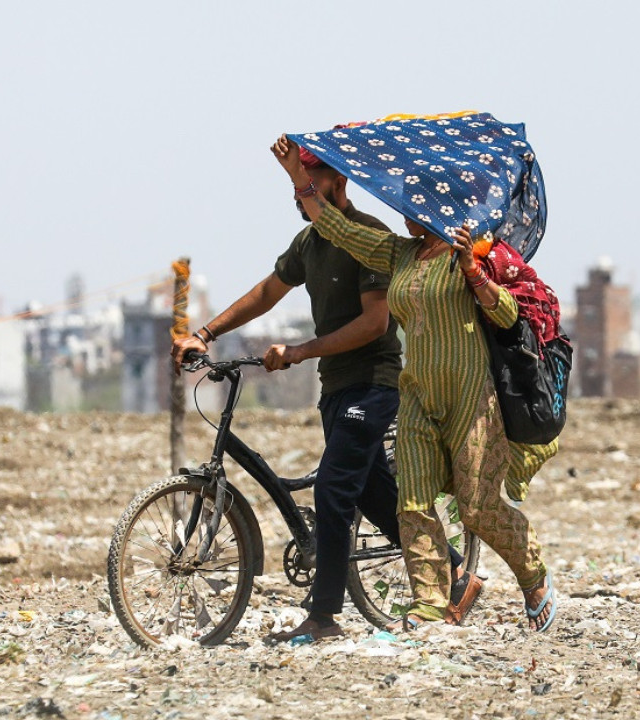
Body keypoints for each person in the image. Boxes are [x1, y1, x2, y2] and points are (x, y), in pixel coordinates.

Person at [170, 146, 482, 642]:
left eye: (308, 183)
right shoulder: (310, 242)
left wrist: (299, 350)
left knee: (333, 491)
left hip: (374, 384)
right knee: (376, 496)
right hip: (335, 387)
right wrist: (205, 335)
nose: (301, 195)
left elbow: (375, 322)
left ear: (337, 183)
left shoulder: (372, 238)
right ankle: (458, 574)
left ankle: (323, 617)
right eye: (296, 186)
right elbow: (269, 291)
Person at [270, 134, 557, 632]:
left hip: (470, 398)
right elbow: (337, 228)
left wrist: (475, 276)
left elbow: (508, 314)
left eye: (416, 204)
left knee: (479, 509)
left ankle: (532, 574)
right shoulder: (399, 255)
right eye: (405, 204)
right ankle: (426, 609)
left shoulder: (473, 254)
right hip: (417, 396)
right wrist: (299, 178)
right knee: (413, 505)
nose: (406, 213)